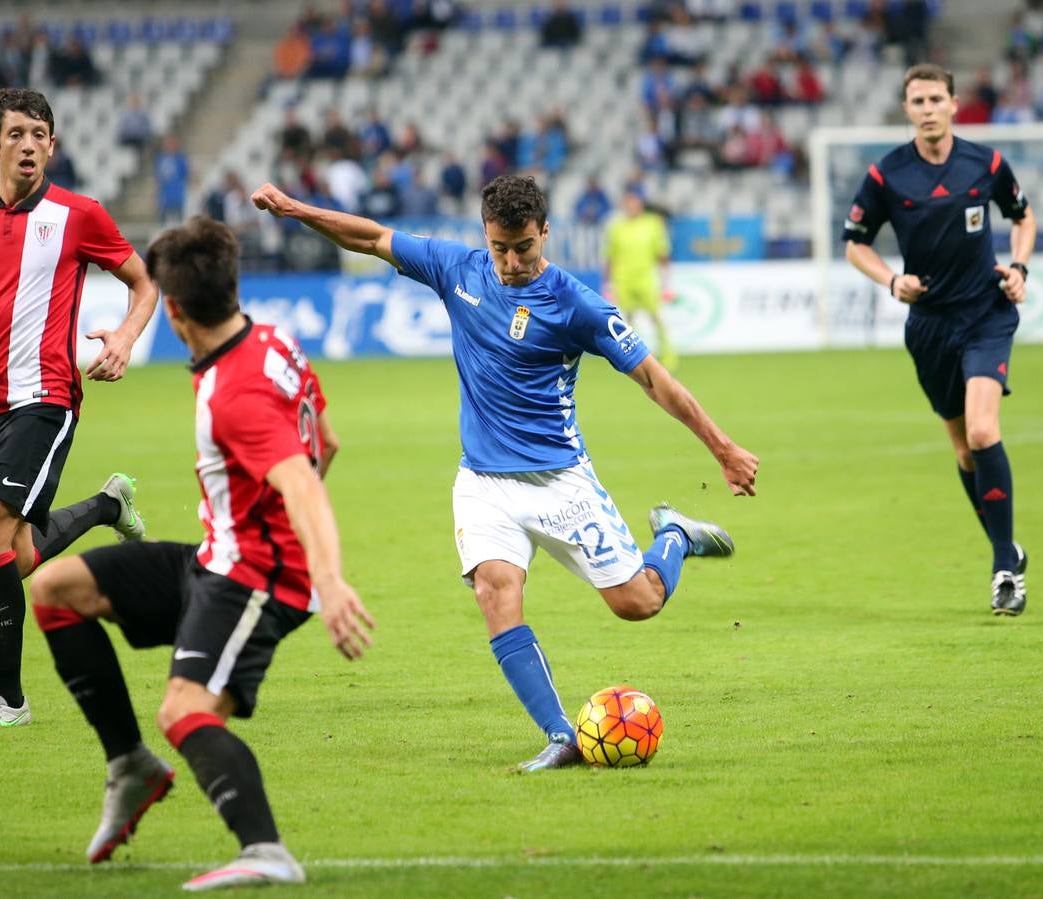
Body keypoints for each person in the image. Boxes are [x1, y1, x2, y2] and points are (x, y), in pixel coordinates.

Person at [251, 174, 758, 771]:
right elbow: (370, 238)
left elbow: (653, 378)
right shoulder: (456, 269)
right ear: (484, 236)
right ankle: (561, 736)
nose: (512, 262)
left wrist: (721, 447)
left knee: (637, 603)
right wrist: (292, 208)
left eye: (525, 248)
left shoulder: (577, 305)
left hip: (560, 481)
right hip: (483, 482)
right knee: (496, 590)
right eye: (501, 248)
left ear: (546, 232)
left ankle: (671, 534)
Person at [29, 217, 373, 889]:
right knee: (55, 588)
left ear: (176, 310)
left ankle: (265, 851)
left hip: (258, 575)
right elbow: (324, 442)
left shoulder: (232, 394)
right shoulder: (274, 340)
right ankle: (130, 765)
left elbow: (302, 479)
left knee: (184, 712)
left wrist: (324, 578)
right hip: (219, 554)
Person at [0, 88, 159, 729]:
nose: (28, 144)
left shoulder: (79, 215)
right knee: (11, 556)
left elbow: (143, 282)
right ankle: (108, 504)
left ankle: (9, 700)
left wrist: (124, 339)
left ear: (52, 145)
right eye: (16, 133)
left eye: (39, 133)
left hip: (46, 398)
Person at [843, 64, 1036, 616]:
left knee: (981, 430)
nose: (927, 109)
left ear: (954, 103)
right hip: (928, 326)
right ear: (907, 110)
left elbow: (1023, 218)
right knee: (963, 450)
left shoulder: (987, 163)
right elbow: (854, 243)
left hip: (985, 313)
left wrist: (1020, 266)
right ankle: (1008, 549)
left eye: (935, 98)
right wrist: (891, 279)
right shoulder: (887, 175)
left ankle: (1004, 567)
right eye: (917, 101)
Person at [604, 187, 676, 370]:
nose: (630, 206)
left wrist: (668, 282)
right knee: (627, 321)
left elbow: (662, 254)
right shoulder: (616, 227)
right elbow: (610, 257)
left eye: (633, 201)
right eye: (627, 202)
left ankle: (668, 354)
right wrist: (607, 283)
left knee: (655, 316)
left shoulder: (653, 224)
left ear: (640, 204)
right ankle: (634, 357)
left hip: (645, 279)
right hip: (623, 280)